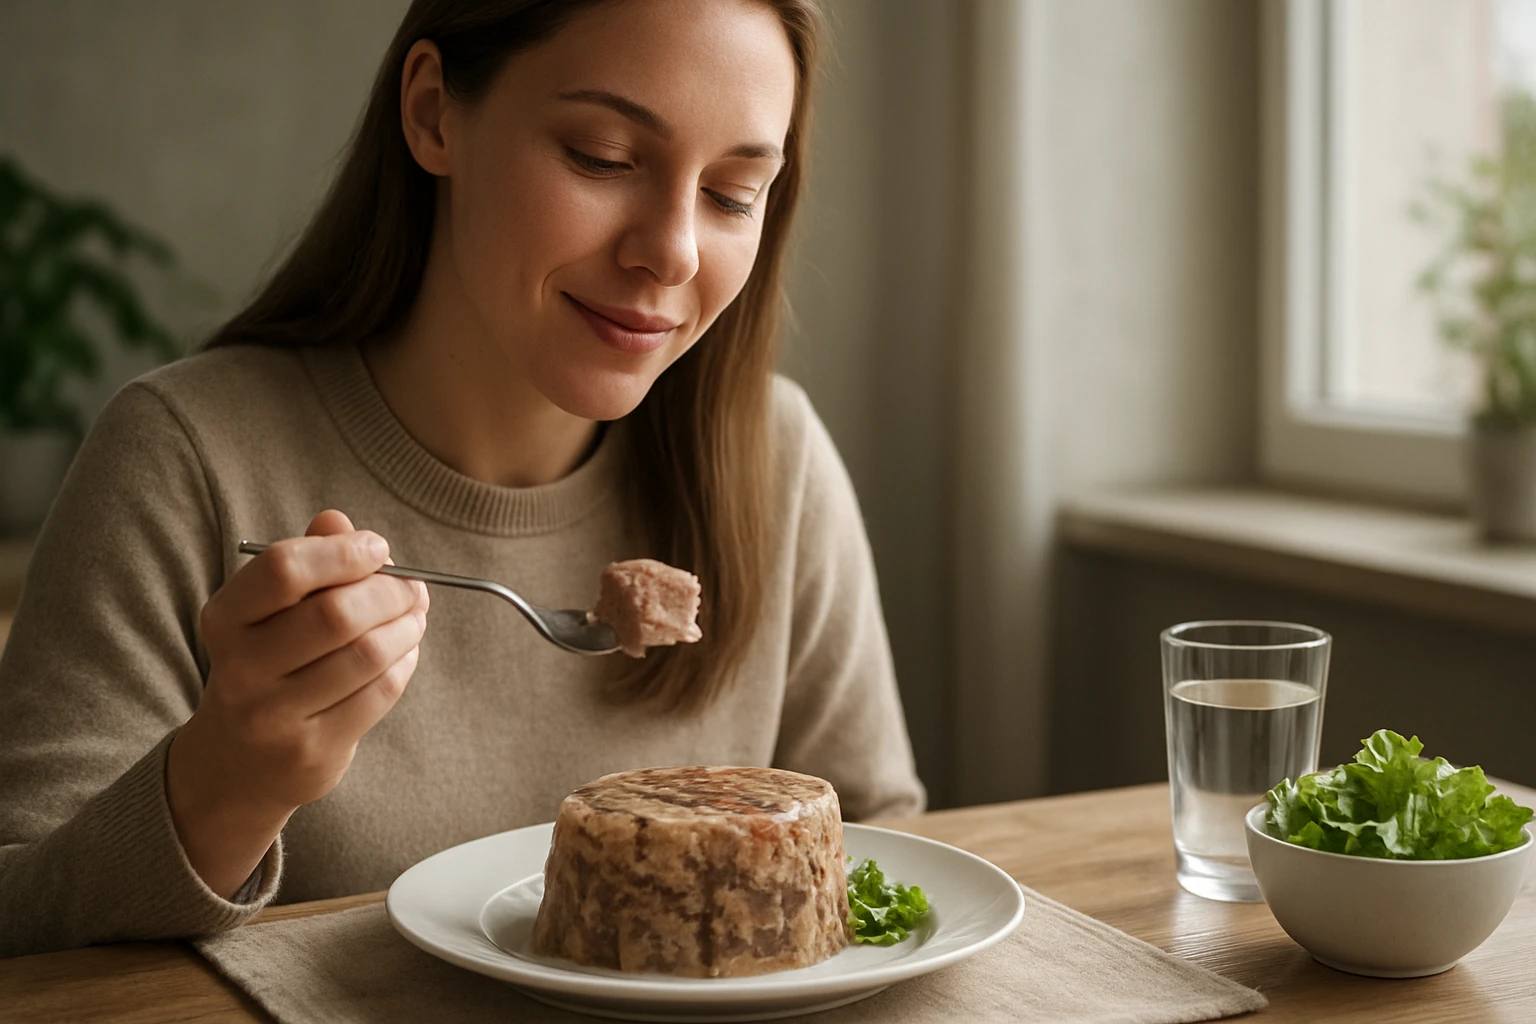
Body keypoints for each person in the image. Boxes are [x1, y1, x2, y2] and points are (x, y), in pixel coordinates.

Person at [0, 0, 924, 959]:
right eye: (604, 157)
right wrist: (226, 783)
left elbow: (880, 856)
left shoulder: (775, 458)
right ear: (433, 112)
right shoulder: (186, 456)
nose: (673, 251)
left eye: (732, 194)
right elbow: (17, 924)